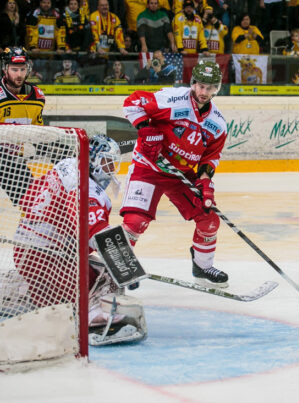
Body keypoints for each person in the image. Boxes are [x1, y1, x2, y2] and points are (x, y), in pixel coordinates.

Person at [12, 134, 147, 344]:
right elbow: (96, 233)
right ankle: (94, 321)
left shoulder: (66, 167)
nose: (110, 169)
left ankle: (32, 289)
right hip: (45, 258)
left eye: (112, 164)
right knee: (108, 278)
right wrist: (126, 267)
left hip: (29, 251)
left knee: (97, 267)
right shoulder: (85, 187)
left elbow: (29, 199)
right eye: (106, 162)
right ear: (92, 158)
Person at [120, 60, 228, 287]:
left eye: (209, 88)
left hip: (181, 175)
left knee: (209, 219)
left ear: (216, 89)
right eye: (200, 86)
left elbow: (210, 157)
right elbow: (132, 103)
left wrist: (205, 182)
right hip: (148, 167)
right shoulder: (171, 99)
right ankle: (121, 266)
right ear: (193, 84)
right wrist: (145, 129)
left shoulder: (217, 124)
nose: (204, 92)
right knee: (135, 221)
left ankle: (202, 266)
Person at [0, 47, 46, 207]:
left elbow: (38, 132)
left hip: (11, 161)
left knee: (32, 201)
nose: (19, 74)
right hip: (5, 159)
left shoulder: (37, 96)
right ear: (5, 69)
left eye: (22, 69)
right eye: (14, 69)